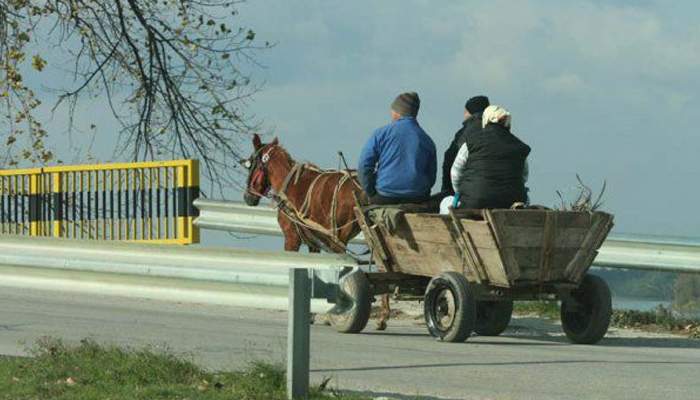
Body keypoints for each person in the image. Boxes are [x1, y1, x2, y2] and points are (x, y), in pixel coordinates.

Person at [442, 105, 530, 212]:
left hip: (474, 202)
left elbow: (455, 172)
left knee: (445, 202)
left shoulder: (471, 142)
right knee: (527, 199)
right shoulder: (519, 146)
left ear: (485, 120)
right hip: (511, 203)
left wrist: (460, 192)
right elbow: (524, 177)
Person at [358, 92, 437, 205]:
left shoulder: (381, 134)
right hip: (418, 198)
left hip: (385, 196)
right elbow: (431, 177)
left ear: (397, 112)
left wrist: (370, 191)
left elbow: (364, 165)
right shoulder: (427, 140)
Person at [441, 95, 490, 195]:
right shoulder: (498, 131)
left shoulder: (464, 134)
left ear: (470, 113)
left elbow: (450, 160)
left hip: (469, 191)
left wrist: (448, 190)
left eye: (465, 111)